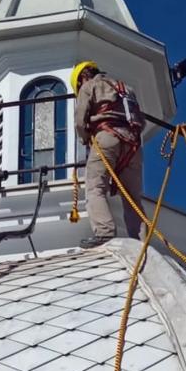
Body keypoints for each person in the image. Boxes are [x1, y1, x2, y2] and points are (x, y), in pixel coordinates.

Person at [72, 61, 146, 248]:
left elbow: (80, 121)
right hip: (133, 146)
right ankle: (141, 242)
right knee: (132, 196)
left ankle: (104, 233)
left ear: (82, 77)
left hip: (106, 137)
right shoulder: (126, 89)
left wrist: (85, 138)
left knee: (95, 186)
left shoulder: (89, 86)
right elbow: (141, 121)